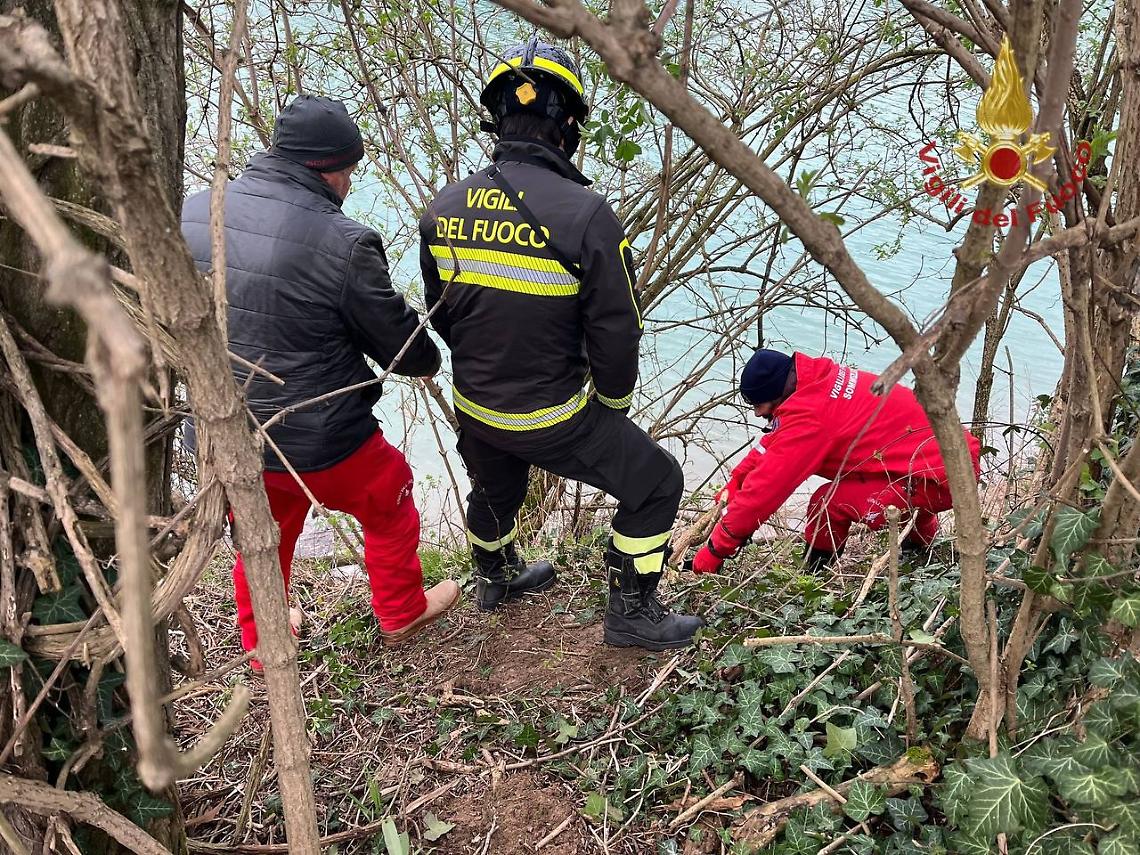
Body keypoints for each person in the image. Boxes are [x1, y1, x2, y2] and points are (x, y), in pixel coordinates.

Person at [418, 37, 702, 651]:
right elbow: (617, 329)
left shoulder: (443, 207)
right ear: (567, 125)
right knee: (656, 482)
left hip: (476, 404)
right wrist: (613, 407)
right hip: (553, 413)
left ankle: (494, 577)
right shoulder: (587, 213)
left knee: (496, 489)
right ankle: (631, 611)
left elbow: (441, 312)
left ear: (499, 118)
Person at [181, 95, 459, 664]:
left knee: (263, 525)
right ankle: (402, 611)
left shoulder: (193, 210)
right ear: (328, 170)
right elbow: (405, 351)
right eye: (350, 172)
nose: (350, 185)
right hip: (322, 440)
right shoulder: (345, 242)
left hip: (222, 429)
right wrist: (427, 352)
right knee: (389, 493)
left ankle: (263, 640)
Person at [689, 349, 982, 574]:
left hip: (947, 477)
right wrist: (736, 481)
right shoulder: (816, 383)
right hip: (943, 461)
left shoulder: (811, 420)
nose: (755, 413)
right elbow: (773, 444)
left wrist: (714, 552)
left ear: (776, 393)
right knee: (889, 479)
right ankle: (921, 551)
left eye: (758, 405)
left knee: (826, 504)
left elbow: (763, 494)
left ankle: (814, 579)